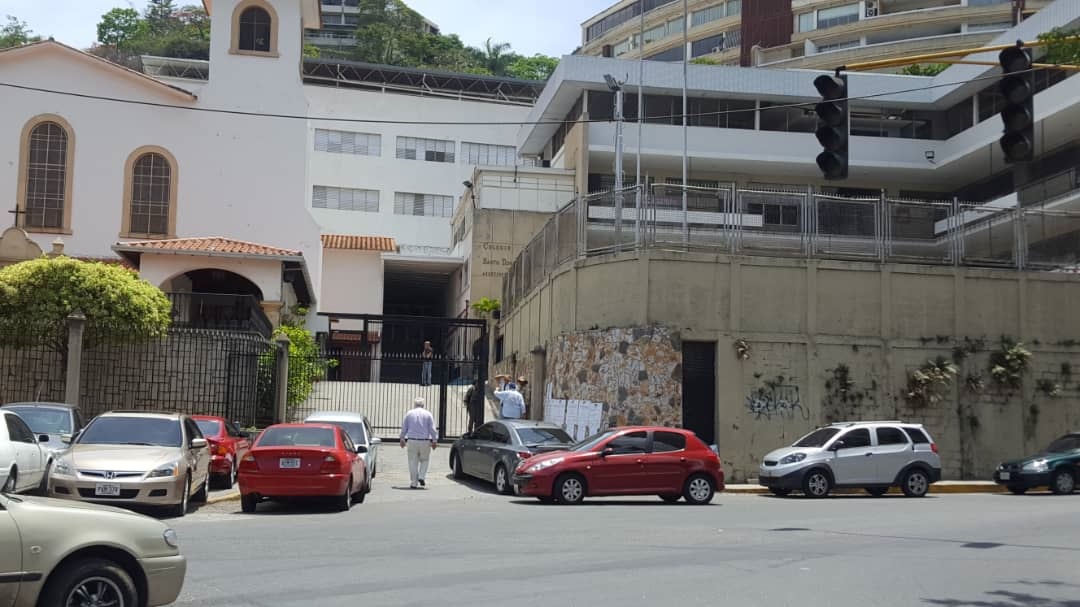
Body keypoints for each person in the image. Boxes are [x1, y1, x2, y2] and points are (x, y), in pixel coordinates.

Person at [399, 397, 438, 489]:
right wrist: (434, 440)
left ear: (414, 404)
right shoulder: (428, 414)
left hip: (412, 440)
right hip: (424, 441)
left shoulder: (409, 414)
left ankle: (414, 483)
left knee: (412, 462)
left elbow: (404, 427)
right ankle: (421, 476)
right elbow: (432, 429)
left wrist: (402, 438)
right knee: (425, 460)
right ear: (423, 405)